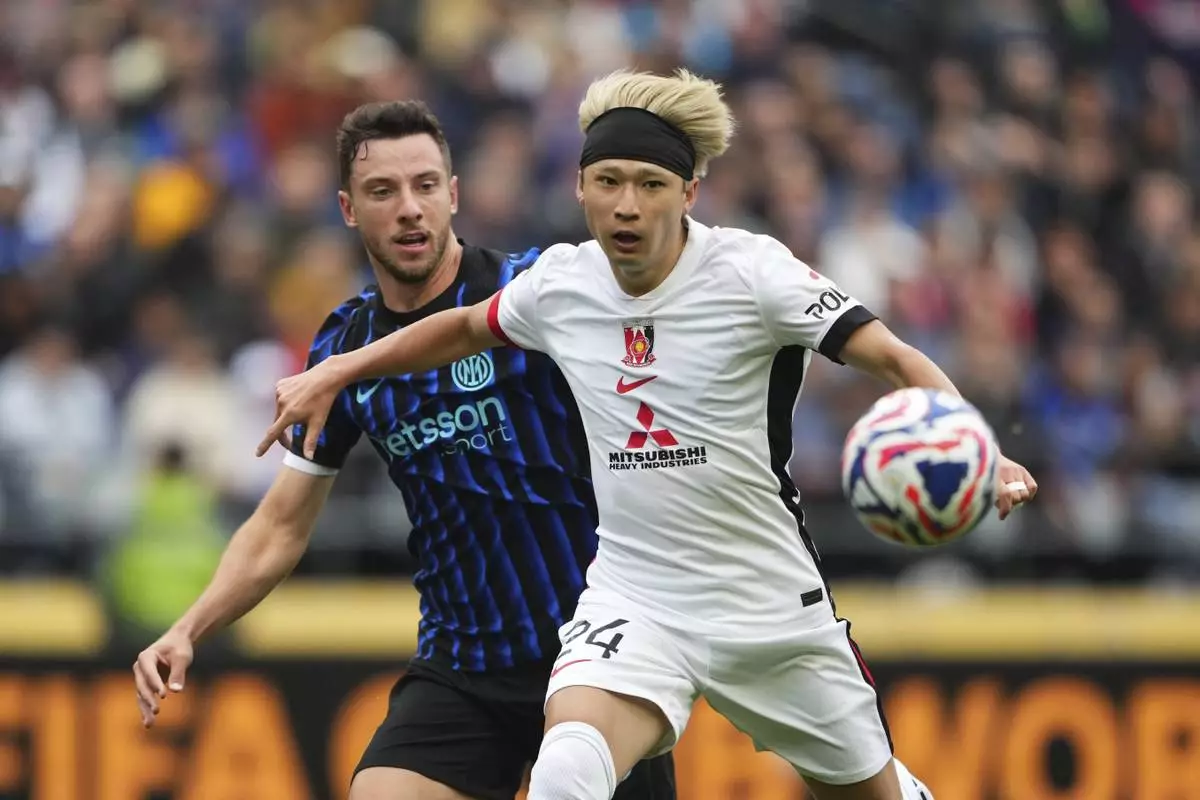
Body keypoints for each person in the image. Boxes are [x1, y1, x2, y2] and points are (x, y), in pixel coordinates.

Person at [259, 71, 1038, 800]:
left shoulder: (753, 274)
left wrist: (977, 443)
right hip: (639, 597)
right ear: (581, 189)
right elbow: (457, 329)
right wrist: (338, 371)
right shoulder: (563, 285)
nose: (627, 206)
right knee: (567, 766)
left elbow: (893, 357)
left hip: (766, 602)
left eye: (651, 185)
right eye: (609, 183)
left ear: (690, 192)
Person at [132, 100, 677, 800]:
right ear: (348, 209)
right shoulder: (344, 348)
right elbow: (280, 525)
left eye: (425, 185)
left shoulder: (538, 290)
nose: (409, 209)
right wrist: (188, 628)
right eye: (383, 192)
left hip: (597, 650)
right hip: (464, 666)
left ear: (453, 194)